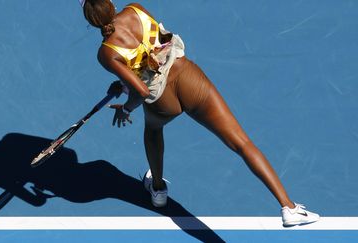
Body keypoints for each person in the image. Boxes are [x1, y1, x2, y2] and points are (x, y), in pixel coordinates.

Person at [80, 0, 319, 226]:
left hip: (163, 101)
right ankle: (288, 207)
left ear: (90, 21)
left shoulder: (106, 53)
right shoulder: (135, 9)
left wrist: (126, 107)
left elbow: (141, 88)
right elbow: (155, 48)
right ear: (110, 3)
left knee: (153, 130)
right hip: (189, 80)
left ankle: (159, 189)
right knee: (241, 142)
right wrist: (126, 84)